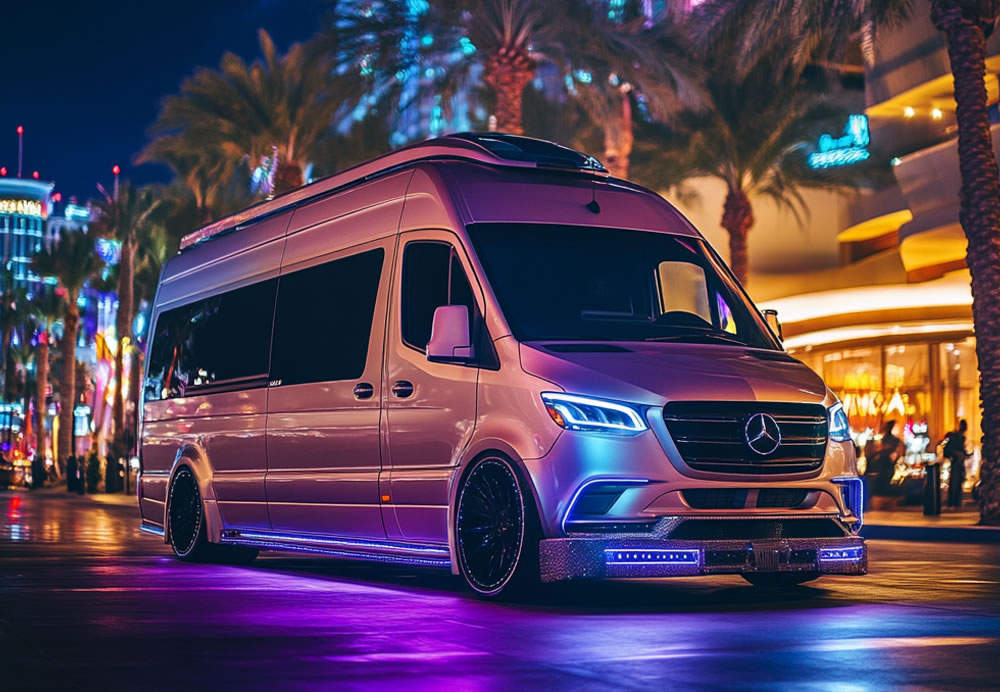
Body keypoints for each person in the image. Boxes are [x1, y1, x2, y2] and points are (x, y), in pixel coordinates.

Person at [941, 420, 970, 509]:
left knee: (957, 482)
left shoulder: (958, 437)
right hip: (957, 463)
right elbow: (959, 449)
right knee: (955, 482)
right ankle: (954, 502)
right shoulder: (959, 437)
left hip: (957, 462)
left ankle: (955, 502)